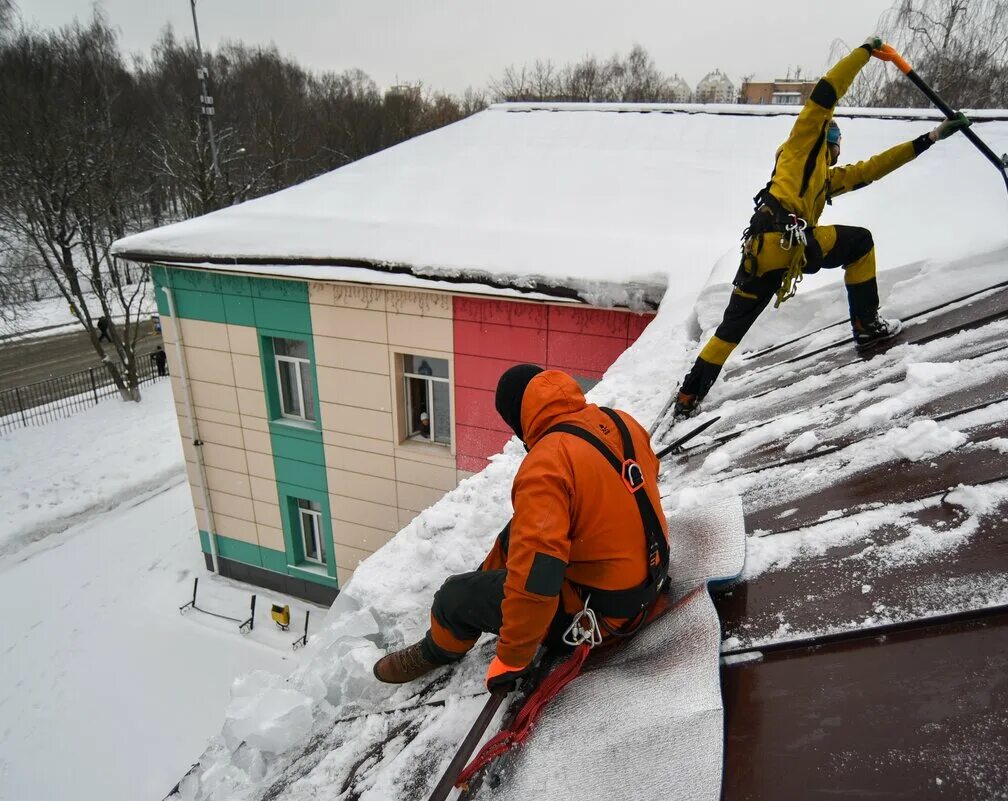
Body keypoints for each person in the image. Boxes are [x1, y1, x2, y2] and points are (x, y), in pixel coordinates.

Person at [674, 36, 972, 418]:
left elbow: (871, 170)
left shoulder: (820, 179)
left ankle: (689, 394)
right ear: (830, 141)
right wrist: (864, 54)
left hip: (760, 254)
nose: (839, 153)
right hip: (790, 244)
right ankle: (867, 324)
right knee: (860, 243)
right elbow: (827, 91)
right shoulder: (803, 144)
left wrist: (929, 138)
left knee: (732, 329)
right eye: (838, 145)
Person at [373, 364, 671, 691]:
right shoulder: (619, 421)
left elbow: (538, 576)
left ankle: (439, 647)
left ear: (520, 420)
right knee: (521, 531)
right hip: (650, 579)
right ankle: (488, 585)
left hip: (603, 616)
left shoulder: (547, 463)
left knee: (453, 596)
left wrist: (513, 659)